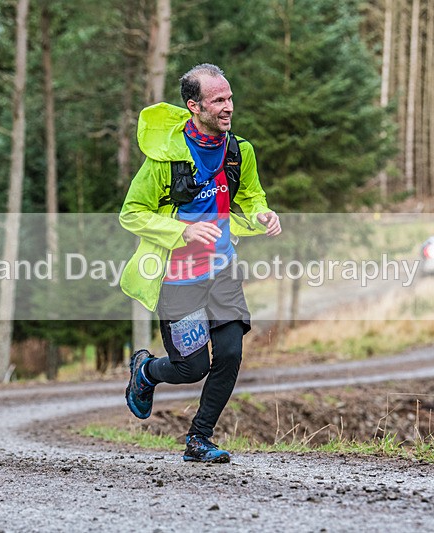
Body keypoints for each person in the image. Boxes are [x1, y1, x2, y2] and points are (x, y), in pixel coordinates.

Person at [119, 63, 281, 463]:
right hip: (179, 279)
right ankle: (146, 372)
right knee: (191, 368)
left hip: (222, 271)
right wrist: (182, 232)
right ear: (194, 106)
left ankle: (199, 438)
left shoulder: (240, 150)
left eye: (229, 98)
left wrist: (263, 213)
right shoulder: (164, 159)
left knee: (229, 353)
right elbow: (132, 213)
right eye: (218, 100)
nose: (228, 107)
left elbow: (252, 195)